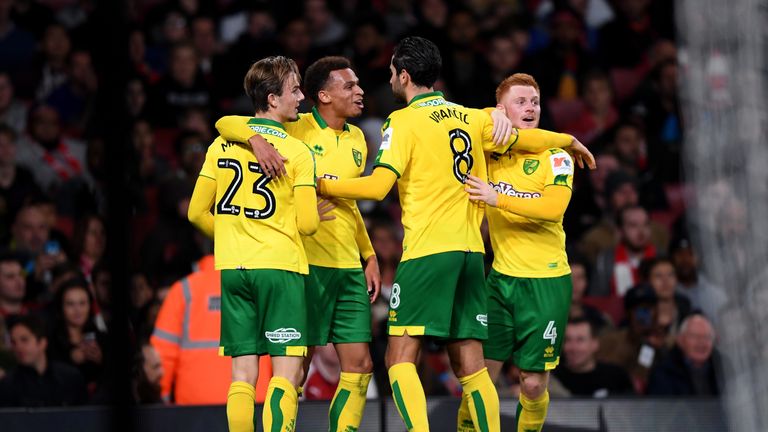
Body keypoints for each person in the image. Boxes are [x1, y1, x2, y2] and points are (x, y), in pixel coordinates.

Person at [317, 37, 594, 432]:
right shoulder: (471, 117)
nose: (390, 79)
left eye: (393, 73)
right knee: (472, 367)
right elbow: (524, 138)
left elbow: (378, 187)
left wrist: (324, 184)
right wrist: (565, 138)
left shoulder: (402, 120)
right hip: (470, 256)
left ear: (405, 76)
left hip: (427, 253)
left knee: (398, 360)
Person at [215, 56, 380, 432]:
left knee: (361, 366)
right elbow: (226, 122)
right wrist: (255, 138)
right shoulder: (297, 126)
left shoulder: (357, 140)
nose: (359, 91)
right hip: (304, 263)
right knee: (294, 366)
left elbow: (349, 205)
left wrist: (367, 252)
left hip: (347, 265)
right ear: (323, 95)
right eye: (349, 85)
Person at [186, 56, 318, 432]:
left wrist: (232, 233)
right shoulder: (296, 153)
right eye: (294, 90)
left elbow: (196, 213)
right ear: (273, 99)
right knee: (285, 372)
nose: (301, 97)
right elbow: (308, 225)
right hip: (280, 269)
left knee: (243, 373)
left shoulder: (220, 145)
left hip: (233, 268)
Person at [464, 73, 575, 432]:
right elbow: (462, 122)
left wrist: (498, 198)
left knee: (531, 383)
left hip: (546, 282)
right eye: (521, 102)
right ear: (503, 110)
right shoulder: (491, 153)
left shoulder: (557, 156)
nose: (530, 108)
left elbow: (552, 208)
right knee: (479, 376)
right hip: (499, 281)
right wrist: (490, 115)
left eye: (535, 102)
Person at [151, 255, 272, 405]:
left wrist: (160, 406)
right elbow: (280, 348)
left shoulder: (184, 290)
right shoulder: (262, 288)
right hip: (253, 404)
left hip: (193, 412)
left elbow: (162, 356)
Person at [0, 314, 87, 407]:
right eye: (14, 342)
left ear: (42, 343)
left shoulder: (70, 377)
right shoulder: (8, 384)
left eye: (24, 340)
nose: (18, 347)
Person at [552, 317, 634, 397]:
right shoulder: (551, 377)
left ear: (595, 344)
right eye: (567, 340)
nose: (573, 348)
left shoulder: (616, 376)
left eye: (580, 340)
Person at [646, 313, 720, 396]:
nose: (701, 342)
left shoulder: (722, 369)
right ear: (680, 340)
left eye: (707, 337)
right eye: (695, 336)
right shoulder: (663, 373)